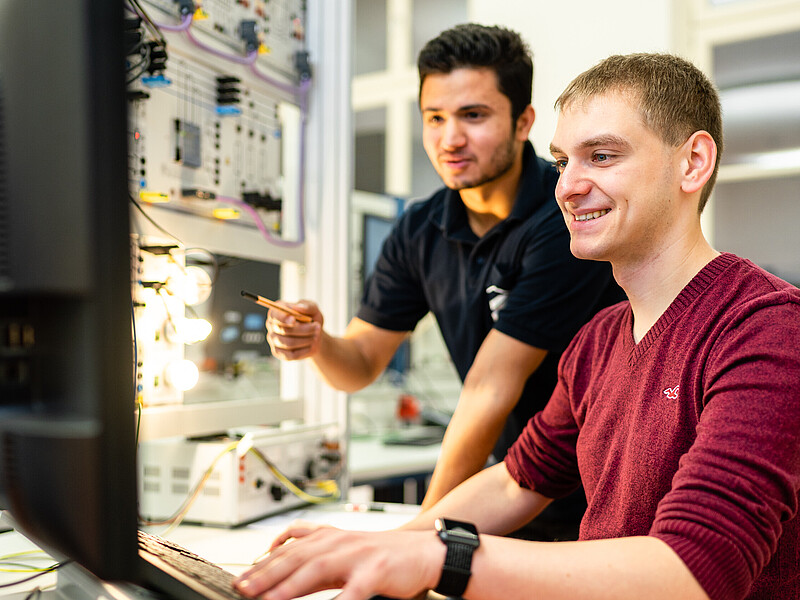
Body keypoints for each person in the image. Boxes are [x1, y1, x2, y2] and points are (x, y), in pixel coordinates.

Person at [234, 53, 800, 600]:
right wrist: (383, 546)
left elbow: (694, 573)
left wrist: (437, 556)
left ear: (693, 163)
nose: (567, 187)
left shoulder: (765, 328)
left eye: (601, 156)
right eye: (561, 162)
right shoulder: (598, 340)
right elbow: (515, 480)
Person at [264, 24, 622, 535]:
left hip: (598, 491)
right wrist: (318, 342)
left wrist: (412, 538)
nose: (449, 139)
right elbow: (361, 363)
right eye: (435, 117)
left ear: (523, 122)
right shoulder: (420, 228)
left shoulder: (564, 216)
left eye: (473, 116)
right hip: (508, 484)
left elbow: (489, 388)